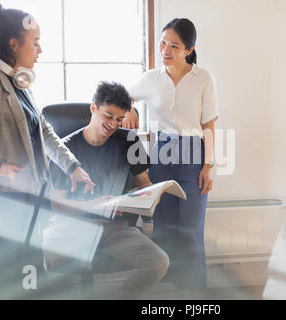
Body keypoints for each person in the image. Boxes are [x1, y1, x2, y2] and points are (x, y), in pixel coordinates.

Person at [0, 4, 94, 298]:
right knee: (18, 287)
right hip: (0, 205)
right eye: (35, 42)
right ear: (13, 44)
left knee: (32, 283)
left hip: (29, 204)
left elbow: (44, 132)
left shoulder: (21, 85)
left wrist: (72, 166)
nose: (40, 50)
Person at [44, 81, 169, 299]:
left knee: (158, 262)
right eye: (108, 116)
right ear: (93, 108)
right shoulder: (65, 150)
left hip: (113, 228)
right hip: (72, 226)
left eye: (120, 119)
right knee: (34, 259)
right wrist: (91, 206)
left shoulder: (129, 141)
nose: (113, 124)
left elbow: (145, 185)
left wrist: (150, 198)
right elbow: (55, 204)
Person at [123, 18, 218, 295]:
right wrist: (131, 109)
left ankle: (196, 294)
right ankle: (170, 291)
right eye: (163, 43)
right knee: (164, 228)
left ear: (189, 49)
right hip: (161, 156)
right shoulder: (151, 78)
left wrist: (207, 166)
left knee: (190, 231)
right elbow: (123, 97)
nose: (165, 50)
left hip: (193, 156)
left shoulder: (204, 79)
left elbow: (209, 126)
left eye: (174, 46)